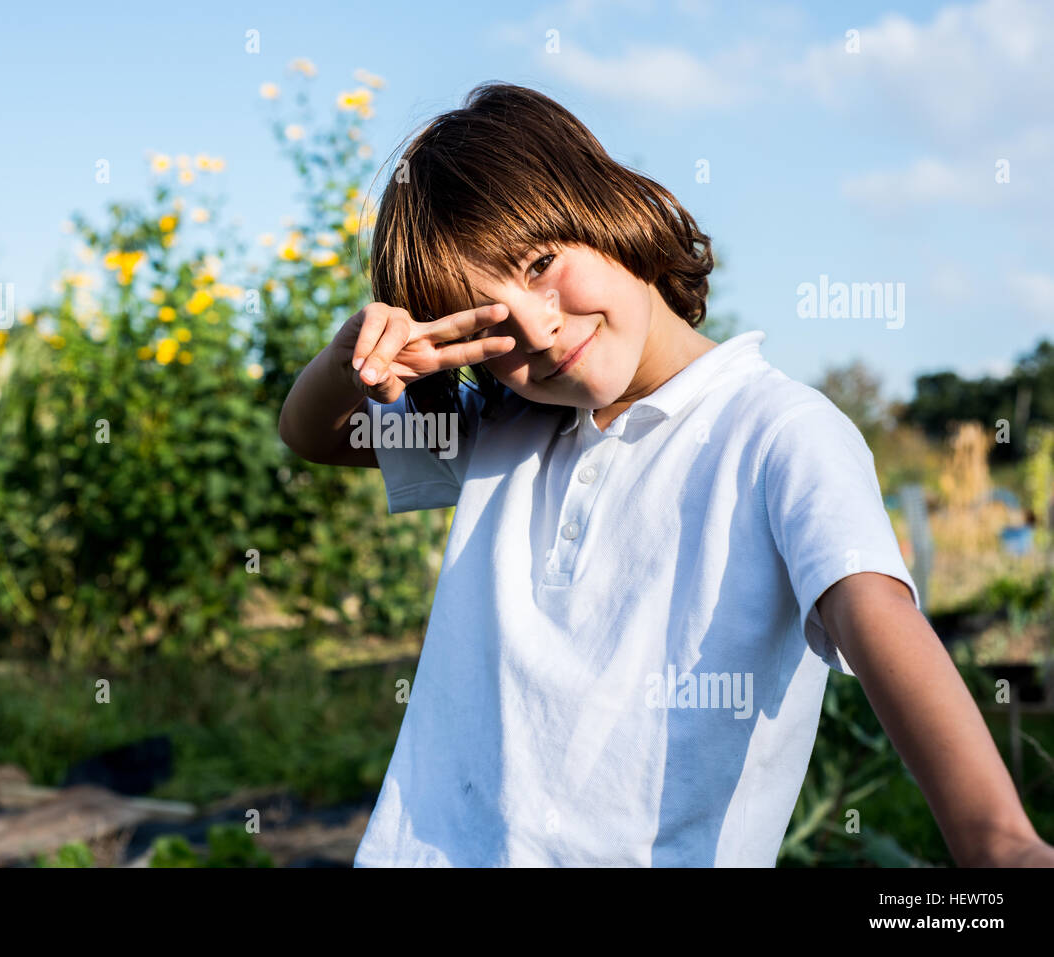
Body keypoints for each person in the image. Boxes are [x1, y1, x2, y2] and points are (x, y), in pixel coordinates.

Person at [278, 82, 1054, 867]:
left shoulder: (780, 434)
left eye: (542, 262)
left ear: (609, 208)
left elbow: (876, 615)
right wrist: (352, 358)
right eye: (490, 326)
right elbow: (311, 432)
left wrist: (1000, 843)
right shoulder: (501, 431)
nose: (538, 328)